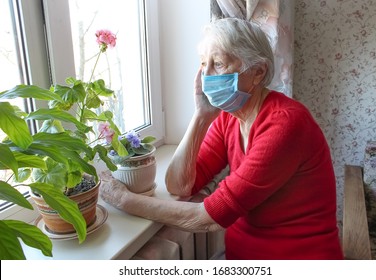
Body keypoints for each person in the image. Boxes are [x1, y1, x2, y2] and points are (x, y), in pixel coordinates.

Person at [100, 17, 343, 260]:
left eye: (218, 64)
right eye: (203, 64)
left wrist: (124, 199)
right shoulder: (229, 117)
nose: (206, 77)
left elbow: (207, 219)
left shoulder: (285, 123)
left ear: (257, 72)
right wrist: (201, 116)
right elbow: (180, 185)